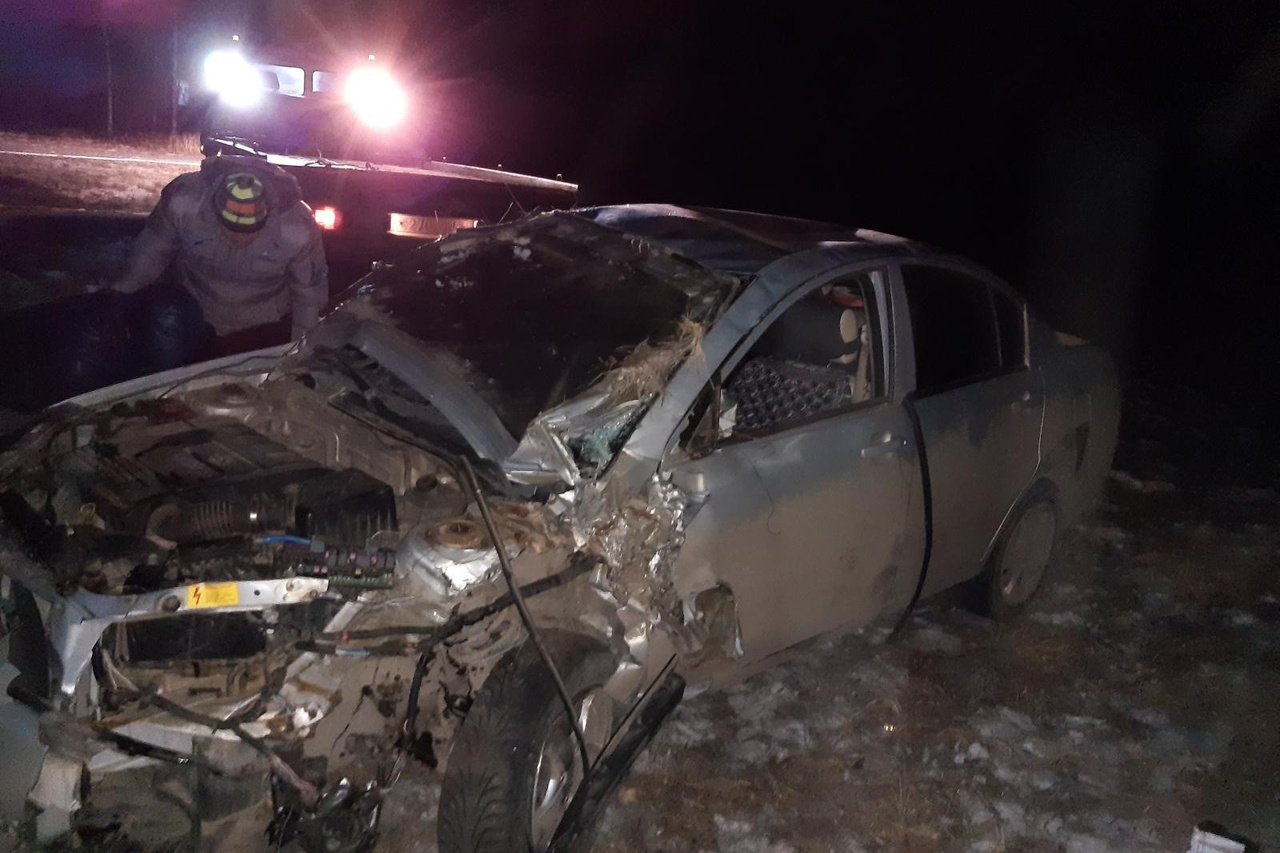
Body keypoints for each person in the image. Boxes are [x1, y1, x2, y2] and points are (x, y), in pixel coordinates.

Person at [102, 153, 329, 370]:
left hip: (262, 325)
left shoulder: (298, 229)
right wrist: (117, 297)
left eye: (250, 232)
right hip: (195, 312)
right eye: (232, 230)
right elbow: (151, 253)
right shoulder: (183, 202)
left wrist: (300, 356)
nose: (240, 239)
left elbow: (308, 298)